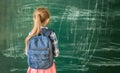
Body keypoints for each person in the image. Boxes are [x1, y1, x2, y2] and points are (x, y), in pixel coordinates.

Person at [24, 7, 59, 73]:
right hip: (48, 67)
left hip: (33, 68)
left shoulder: (31, 34)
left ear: (34, 19)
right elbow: (56, 54)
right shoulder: (51, 33)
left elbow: (27, 53)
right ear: (47, 20)